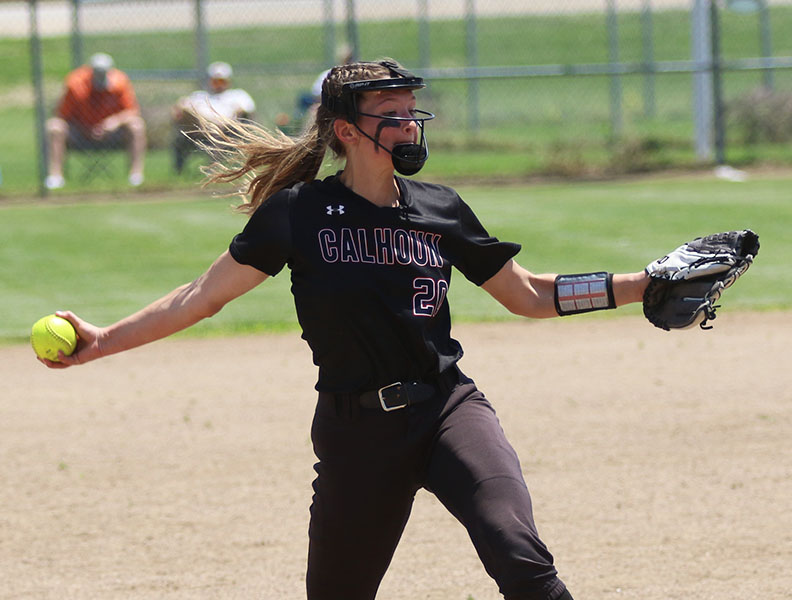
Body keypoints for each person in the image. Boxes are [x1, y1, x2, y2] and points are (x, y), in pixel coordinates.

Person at [39, 59, 656, 600]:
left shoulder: (439, 208)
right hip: (356, 431)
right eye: (392, 114)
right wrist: (103, 340)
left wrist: (641, 285)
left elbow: (528, 294)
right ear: (347, 130)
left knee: (519, 556)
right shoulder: (297, 214)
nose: (410, 125)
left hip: (448, 409)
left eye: (413, 113)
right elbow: (201, 297)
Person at [45, 53, 146, 189]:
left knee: (136, 125)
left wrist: (115, 122)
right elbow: (62, 116)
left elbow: (133, 111)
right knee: (54, 127)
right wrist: (83, 127)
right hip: (80, 133)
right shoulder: (75, 84)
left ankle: (136, 176)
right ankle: (55, 177)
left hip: (112, 134)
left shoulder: (120, 82)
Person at [171, 61, 256, 174]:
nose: (218, 84)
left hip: (227, 129)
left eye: (221, 81)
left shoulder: (238, 95)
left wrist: (225, 123)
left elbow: (246, 112)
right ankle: (210, 130)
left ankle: (213, 133)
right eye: (215, 81)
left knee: (227, 124)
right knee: (185, 107)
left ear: (228, 81)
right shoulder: (199, 96)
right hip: (200, 130)